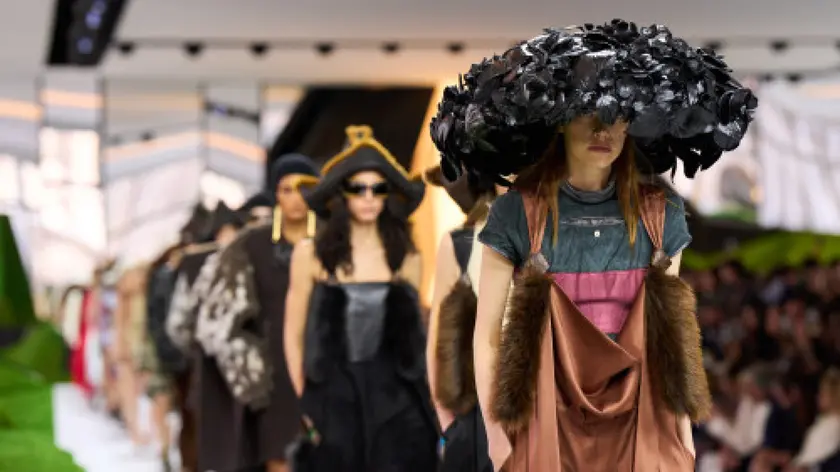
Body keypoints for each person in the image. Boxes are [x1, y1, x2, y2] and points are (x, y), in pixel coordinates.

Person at [431, 20, 757, 471]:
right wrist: (496, 436)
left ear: (632, 123)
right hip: (546, 421)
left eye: (617, 113)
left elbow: (672, 335)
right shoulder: (516, 214)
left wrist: (682, 431)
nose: (603, 129)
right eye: (589, 110)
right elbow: (486, 337)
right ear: (560, 120)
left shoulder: (661, 214)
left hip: (643, 422)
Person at [284, 125, 437, 472]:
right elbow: (293, 332)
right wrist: (305, 398)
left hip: (397, 400)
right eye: (358, 188)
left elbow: (414, 333)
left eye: (378, 188)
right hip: (334, 397)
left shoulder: (407, 256)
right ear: (342, 193)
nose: (369, 197)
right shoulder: (311, 254)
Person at [193, 154, 320, 472]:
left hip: (325, 365)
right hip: (273, 372)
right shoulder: (251, 245)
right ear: (275, 194)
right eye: (286, 189)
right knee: (280, 454)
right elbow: (216, 318)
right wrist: (250, 372)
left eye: (303, 188)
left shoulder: (333, 240)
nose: (296, 198)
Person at [424, 165, 501, 472]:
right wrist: (449, 425)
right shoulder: (461, 243)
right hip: (478, 417)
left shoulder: (558, 236)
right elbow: (438, 339)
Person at [166, 201, 243, 472]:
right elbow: (178, 324)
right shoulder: (198, 265)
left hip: (219, 369)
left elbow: (179, 325)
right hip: (221, 370)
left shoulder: (195, 265)